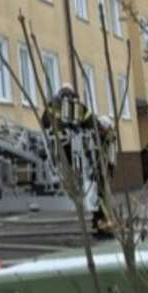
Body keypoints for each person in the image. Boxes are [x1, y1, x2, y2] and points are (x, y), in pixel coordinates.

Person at [44, 84, 115, 238]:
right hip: (77, 152)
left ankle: (101, 221)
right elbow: (91, 123)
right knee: (96, 187)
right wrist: (100, 130)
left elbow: (44, 123)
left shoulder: (51, 106)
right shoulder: (77, 106)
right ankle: (103, 223)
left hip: (58, 151)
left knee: (88, 185)